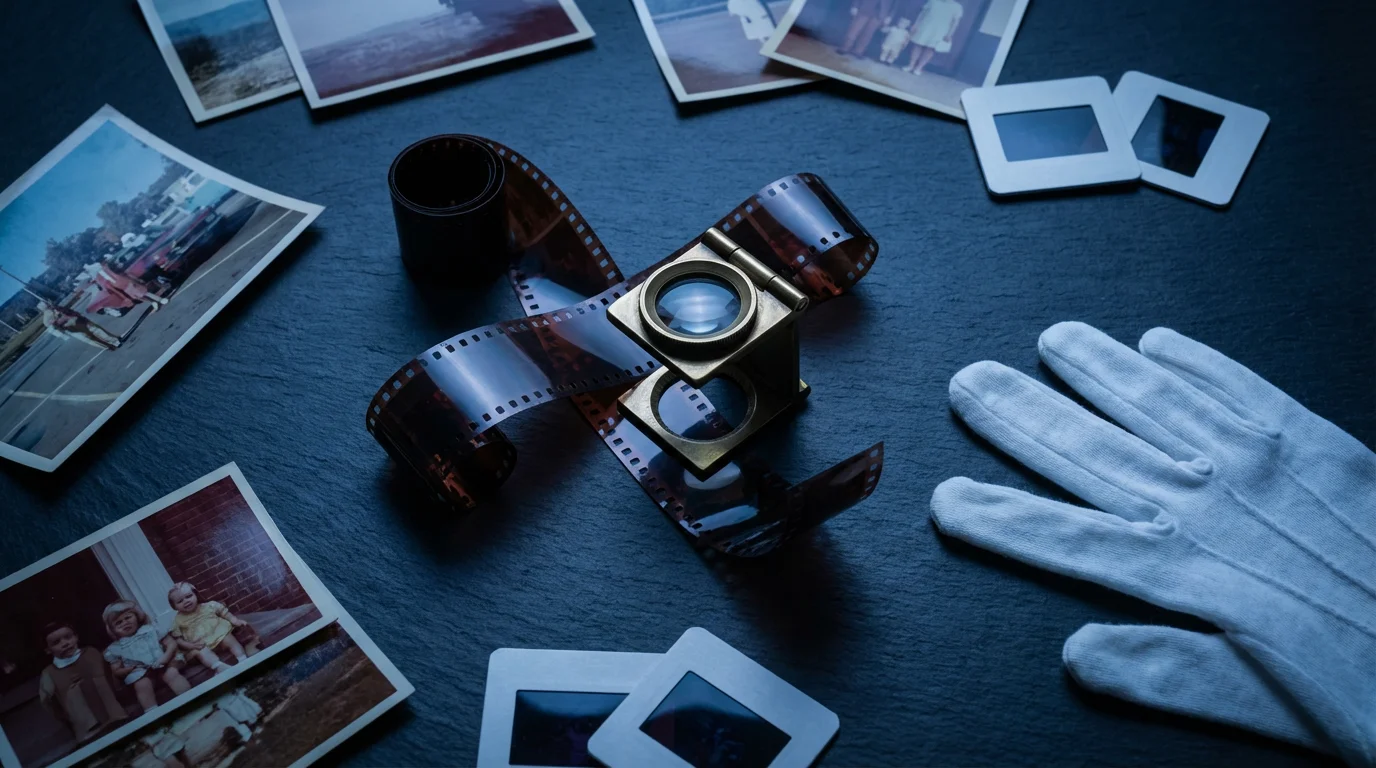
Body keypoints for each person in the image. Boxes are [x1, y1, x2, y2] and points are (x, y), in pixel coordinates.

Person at [36, 622, 128, 744]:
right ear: (48, 650)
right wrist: (66, 716)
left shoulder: (91, 653)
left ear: (76, 637)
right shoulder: (49, 673)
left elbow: (109, 675)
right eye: (56, 642)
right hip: (88, 731)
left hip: (115, 715)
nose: (64, 643)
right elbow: (48, 702)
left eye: (68, 637)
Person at [102, 601, 191, 713]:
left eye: (128, 618)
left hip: (165, 662)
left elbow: (171, 644)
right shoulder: (116, 647)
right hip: (141, 672)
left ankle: (189, 697)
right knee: (141, 685)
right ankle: (152, 713)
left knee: (171, 674)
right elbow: (116, 670)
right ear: (112, 629)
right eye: (118, 623)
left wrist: (165, 657)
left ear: (137, 616)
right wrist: (129, 669)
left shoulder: (150, 629)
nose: (125, 623)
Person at [167, 583, 259, 674]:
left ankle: (242, 658)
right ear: (174, 606)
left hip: (220, 635)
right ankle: (219, 666)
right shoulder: (177, 620)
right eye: (180, 601)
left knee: (229, 638)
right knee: (201, 652)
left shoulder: (209, 606)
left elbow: (225, 614)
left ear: (196, 594)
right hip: (201, 644)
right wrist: (190, 645)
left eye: (189, 596)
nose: (186, 601)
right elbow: (178, 639)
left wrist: (235, 621)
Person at [904, 0, 963, 74]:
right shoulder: (933, 1)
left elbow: (955, 23)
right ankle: (910, 65)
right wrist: (915, 24)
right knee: (918, 45)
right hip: (925, 26)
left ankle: (918, 68)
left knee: (930, 49)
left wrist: (949, 34)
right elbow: (922, 14)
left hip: (941, 31)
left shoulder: (957, 7)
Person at [37, 300, 121, 350]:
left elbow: (55, 328)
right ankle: (113, 341)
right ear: (46, 306)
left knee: (90, 337)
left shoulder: (50, 315)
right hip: (74, 324)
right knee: (94, 332)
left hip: (72, 327)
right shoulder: (53, 312)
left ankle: (110, 344)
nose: (49, 304)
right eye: (47, 304)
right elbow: (58, 324)